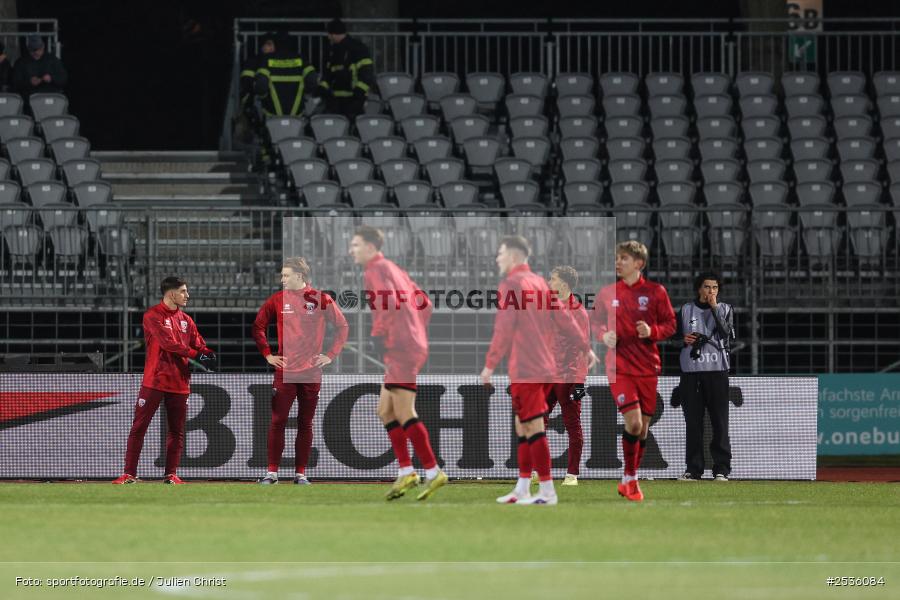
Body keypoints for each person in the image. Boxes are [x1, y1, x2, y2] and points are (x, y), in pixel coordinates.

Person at [482, 237, 592, 506]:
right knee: (525, 425)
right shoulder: (540, 284)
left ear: (514, 255)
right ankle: (522, 487)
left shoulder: (512, 284)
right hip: (545, 368)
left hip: (528, 367)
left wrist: (489, 364)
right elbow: (564, 318)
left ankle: (546, 491)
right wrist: (585, 346)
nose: (498, 258)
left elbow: (503, 329)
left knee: (532, 426)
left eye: (501, 253)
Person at [349, 225, 447, 501]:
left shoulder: (374, 271)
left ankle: (432, 470)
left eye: (355, 245)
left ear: (370, 247)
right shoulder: (395, 269)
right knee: (385, 410)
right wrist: (415, 331)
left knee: (404, 412)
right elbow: (425, 304)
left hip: (401, 348)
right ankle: (407, 470)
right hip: (408, 345)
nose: (351, 250)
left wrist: (380, 334)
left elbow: (389, 303)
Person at [591, 241, 676, 502]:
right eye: (617, 258)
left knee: (643, 430)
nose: (618, 262)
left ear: (639, 263)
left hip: (648, 368)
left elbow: (671, 324)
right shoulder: (607, 293)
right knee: (635, 422)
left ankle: (629, 478)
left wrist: (652, 332)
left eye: (624, 258)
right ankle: (631, 478)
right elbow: (593, 322)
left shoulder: (655, 292)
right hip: (619, 368)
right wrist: (604, 335)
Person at [252, 257, 349, 485]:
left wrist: (330, 355)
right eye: (282, 275)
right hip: (285, 372)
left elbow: (343, 326)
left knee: (306, 423)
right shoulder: (277, 299)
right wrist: (268, 354)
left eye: (286, 275)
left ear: (300, 276)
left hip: (311, 373)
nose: (282, 279)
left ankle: (301, 474)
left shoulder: (320, 299)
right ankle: (272, 473)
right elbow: (258, 326)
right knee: (278, 421)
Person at [113, 278, 216, 484]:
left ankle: (171, 474)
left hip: (180, 383)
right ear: (171, 294)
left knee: (176, 431)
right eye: (183, 291)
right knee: (139, 428)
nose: (187, 295)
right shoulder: (152, 316)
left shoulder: (186, 319)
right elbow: (168, 344)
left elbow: (199, 343)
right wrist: (196, 355)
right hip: (155, 381)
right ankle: (129, 474)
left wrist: (208, 353)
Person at [675, 272, 734, 481]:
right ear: (699, 289)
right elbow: (673, 340)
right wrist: (684, 339)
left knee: (720, 423)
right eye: (707, 287)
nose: (711, 291)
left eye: (715, 288)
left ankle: (721, 469)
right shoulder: (685, 310)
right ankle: (694, 469)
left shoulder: (725, 309)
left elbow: (726, 334)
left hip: (717, 373)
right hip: (691, 374)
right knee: (693, 424)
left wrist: (715, 306)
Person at [543, 265, 593, 487]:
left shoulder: (579, 312)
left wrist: (579, 380)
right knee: (536, 423)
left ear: (563, 283)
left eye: (552, 279)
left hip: (567, 377)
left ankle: (572, 474)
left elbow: (582, 348)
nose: (549, 283)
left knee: (572, 425)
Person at [318, 18, 375, 120]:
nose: (328, 37)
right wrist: (322, 88)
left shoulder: (358, 48)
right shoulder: (333, 50)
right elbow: (328, 74)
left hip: (353, 100)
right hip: (337, 100)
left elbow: (367, 74)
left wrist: (359, 94)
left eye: (329, 34)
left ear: (333, 34)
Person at [251, 33, 318, 118]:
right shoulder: (301, 59)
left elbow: (261, 84)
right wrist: (305, 95)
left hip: (272, 114)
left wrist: (263, 97)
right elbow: (312, 79)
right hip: (297, 115)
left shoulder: (267, 60)